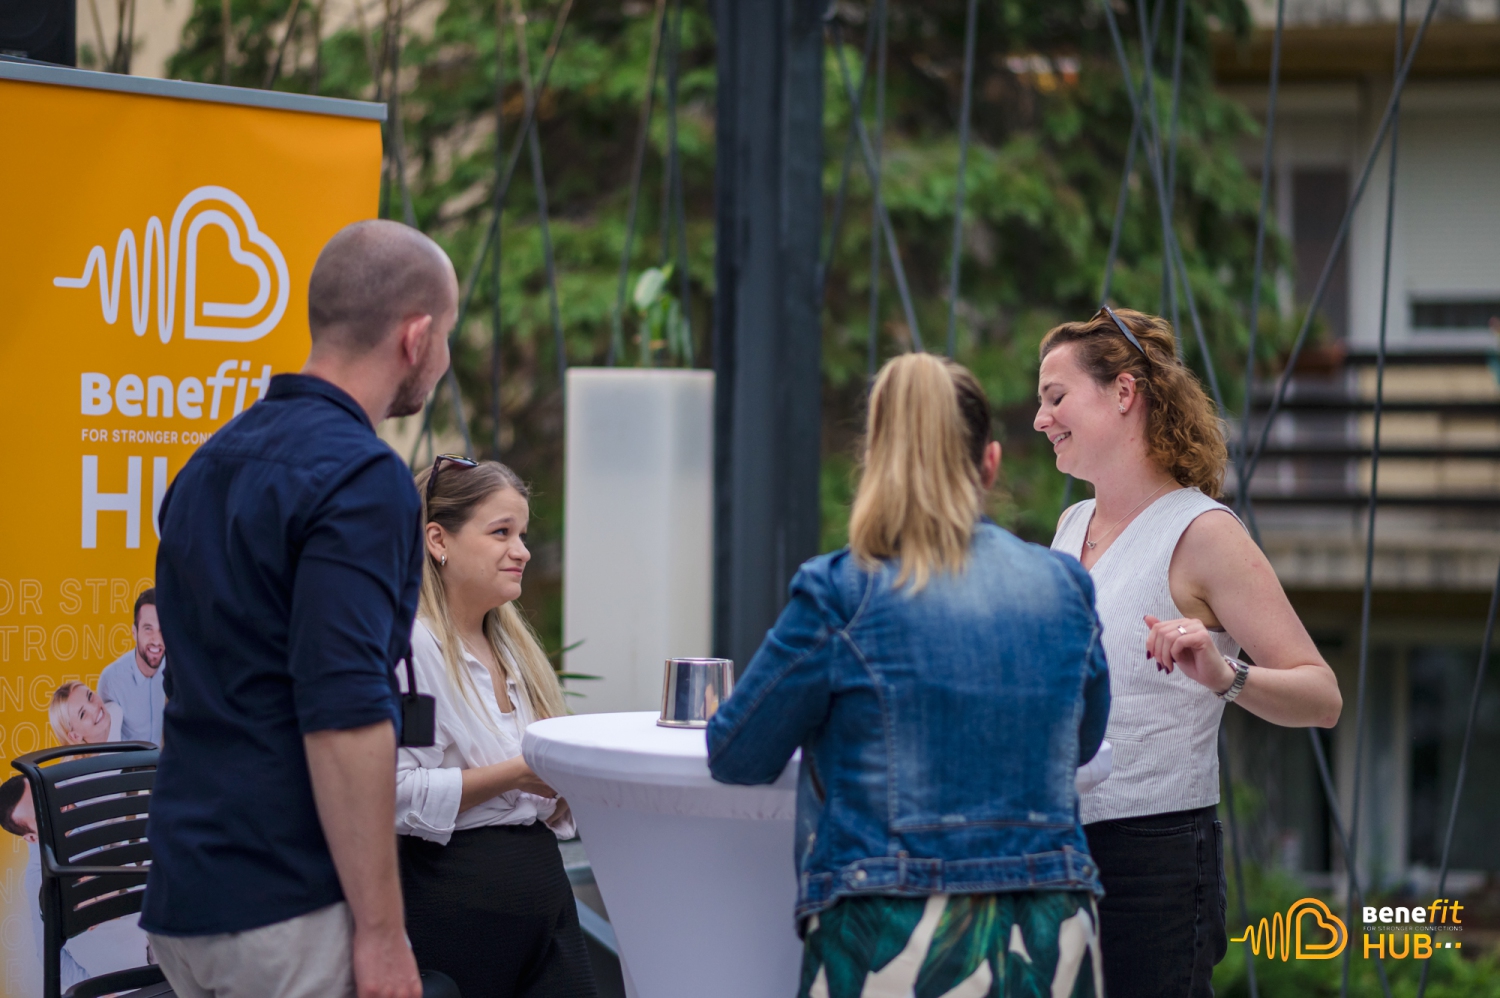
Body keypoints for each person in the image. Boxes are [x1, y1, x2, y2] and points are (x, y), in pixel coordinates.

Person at [708, 353, 1112, 997]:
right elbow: (1082, 744)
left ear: (874, 466)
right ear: (990, 464)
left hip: (889, 933)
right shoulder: (1065, 586)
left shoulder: (839, 591)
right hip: (1045, 932)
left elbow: (737, 754)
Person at [142, 219, 457, 998]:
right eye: (448, 337)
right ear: (416, 337)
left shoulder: (206, 464)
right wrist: (382, 933)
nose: (445, 358)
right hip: (288, 906)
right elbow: (344, 713)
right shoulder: (363, 478)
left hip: (184, 893)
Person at [1033, 306, 1343, 997]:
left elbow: (1322, 696)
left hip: (1154, 859)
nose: (1039, 418)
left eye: (1055, 397)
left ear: (1123, 392)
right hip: (1057, 844)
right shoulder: (1072, 523)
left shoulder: (1202, 531)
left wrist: (1226, 675)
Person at [395, 458, 597, 998]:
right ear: (438, 540)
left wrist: (563, 785)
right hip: (460, 914)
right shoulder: (414, 648)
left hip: (544, 902)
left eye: (522, 534)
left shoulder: (513, 646)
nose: (523, 551)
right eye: (501, 532)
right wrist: (517, 774)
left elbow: (542, 796)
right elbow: (392, 794)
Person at [2, 773, 153, 992]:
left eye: (49, 794)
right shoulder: (40, 878)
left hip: (161, 932)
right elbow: (49, 956)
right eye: (43, 812)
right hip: (130, 972)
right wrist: (101, 992)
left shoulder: (92, 801)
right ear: (33, 837)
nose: (59, 807)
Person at [99, 588, 166, 745]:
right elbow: (105, 743)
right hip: (129, 761)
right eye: (148, 629)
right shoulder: (111, 681)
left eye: (162, 629)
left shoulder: (179, 671)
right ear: (134, 633)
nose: (156, 640)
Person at [48, 680, 123, 745]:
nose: (94, 708)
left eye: (90, 696)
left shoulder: (118, 709)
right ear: (75, 736)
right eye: (82, 714)